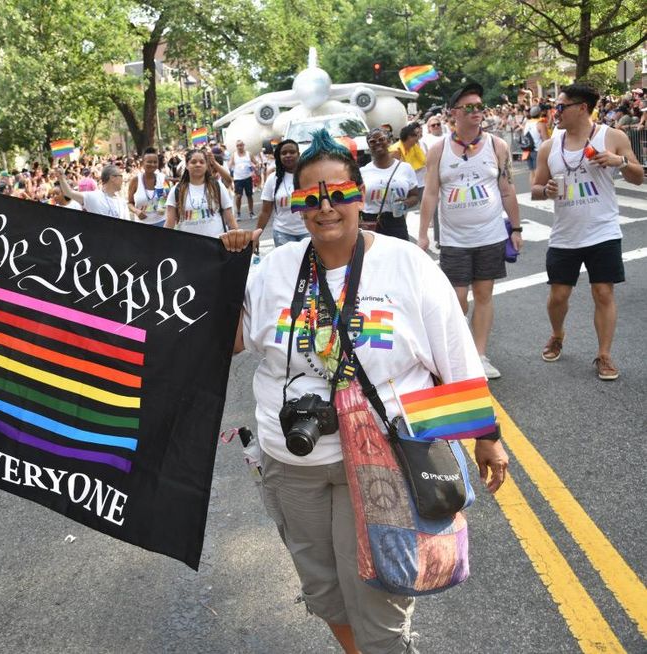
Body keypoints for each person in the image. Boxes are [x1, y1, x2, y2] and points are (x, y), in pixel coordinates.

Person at [222, 129, 508, 654]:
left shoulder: (406, 265)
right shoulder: (273, 272)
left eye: (338, 193)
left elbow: (456, 356)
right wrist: (222, 270)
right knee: (325, 593)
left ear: (360, 194)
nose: (325, 207)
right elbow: (229, 340)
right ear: (295, 203)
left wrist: (486, 436)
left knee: (378, 601)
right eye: (310, 197)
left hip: (385, 461)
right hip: (291, 462)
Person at [531, 83, 644, 380]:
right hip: (564, 235)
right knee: (558, 296)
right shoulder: (549, 146)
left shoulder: (613, 136)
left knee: (603, 292)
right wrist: (546, 190)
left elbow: (638, 176)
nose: (556, 112)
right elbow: (535, 189)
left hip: (602, 231)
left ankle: (604, 354)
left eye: (561, 106)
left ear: (582, 108)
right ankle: (557, 334)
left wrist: (617, 160)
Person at [419, 82, 523, 380]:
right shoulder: (438, 150)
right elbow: (430, 194)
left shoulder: (497, 146)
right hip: (454, 239)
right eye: (470, 107)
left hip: (490, 235)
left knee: (484, 293)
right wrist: (424, 233)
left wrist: (515, 227)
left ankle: (478, 355)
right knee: (457, 296)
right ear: (454, 114)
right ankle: (456, 346)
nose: (477, 112)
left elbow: (507, 190)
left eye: (480, 106)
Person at [361, 129, 420, 241]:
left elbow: (415, 196)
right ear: (369, 146)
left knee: (399, 256)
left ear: (389, 141)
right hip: (371, 223)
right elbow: (355, 201)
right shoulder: (363, 172)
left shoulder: (405, 168)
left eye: (381, 139)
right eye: (372, 141)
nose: (377, 143)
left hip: (397, 222)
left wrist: (405, 204)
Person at [164, 149, 238, 238]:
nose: (198, 164)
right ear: (187, 165)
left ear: (206, 166)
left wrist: (239, 240)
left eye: (202, 162)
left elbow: (230, 219)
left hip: (217, 244)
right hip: (188, 247)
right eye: (193, 162)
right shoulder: (177, 190)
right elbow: (169, 223)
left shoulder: (217, 186)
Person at [256, 139, 307, 247]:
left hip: (308, 232)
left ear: (298, 154)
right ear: (279, 157)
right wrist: (256, 236)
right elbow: (265, 212)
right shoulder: (272, 179)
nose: (288, 155)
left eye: (292, 152)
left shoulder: (309, 176)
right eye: (284, 153)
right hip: (282, 234)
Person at [55, 164, 131, 220]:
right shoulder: (94, 197)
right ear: (112, 178)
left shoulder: (122, 202)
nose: (122, 180)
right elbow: (69, 193)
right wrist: (61, 177)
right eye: (121, 176)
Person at [126, 147, 169, 227]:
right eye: (149, 162)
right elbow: (130, 203)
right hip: (142, 224)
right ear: (142, 163)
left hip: (162, 222)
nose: (152, 164)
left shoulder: (163, 178)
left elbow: (169, 199)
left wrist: (165, 199)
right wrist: (136, 211)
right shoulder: (135, 181)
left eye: (155, 162)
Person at [389, 123, 426, 190]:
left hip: (419, 182)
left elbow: (424, 161)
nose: (416, 141)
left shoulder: (414, 147)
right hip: (403, 185)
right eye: (415, 138)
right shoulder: (395, 151)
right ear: (409, 138)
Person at [228, 140, 260, 220]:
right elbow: (229, 165)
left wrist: (256, 167)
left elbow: (256, 163)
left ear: (244, 145)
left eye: (241, 145)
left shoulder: (249, 154)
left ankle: (251, 213)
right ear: (236, 147)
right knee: (238, 196)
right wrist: (229, 173)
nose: (239, 147)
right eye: (238, 145)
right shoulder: (234, 155)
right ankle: (238, 213)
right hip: (238, 179)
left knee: (249, 195)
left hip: (248, 177)